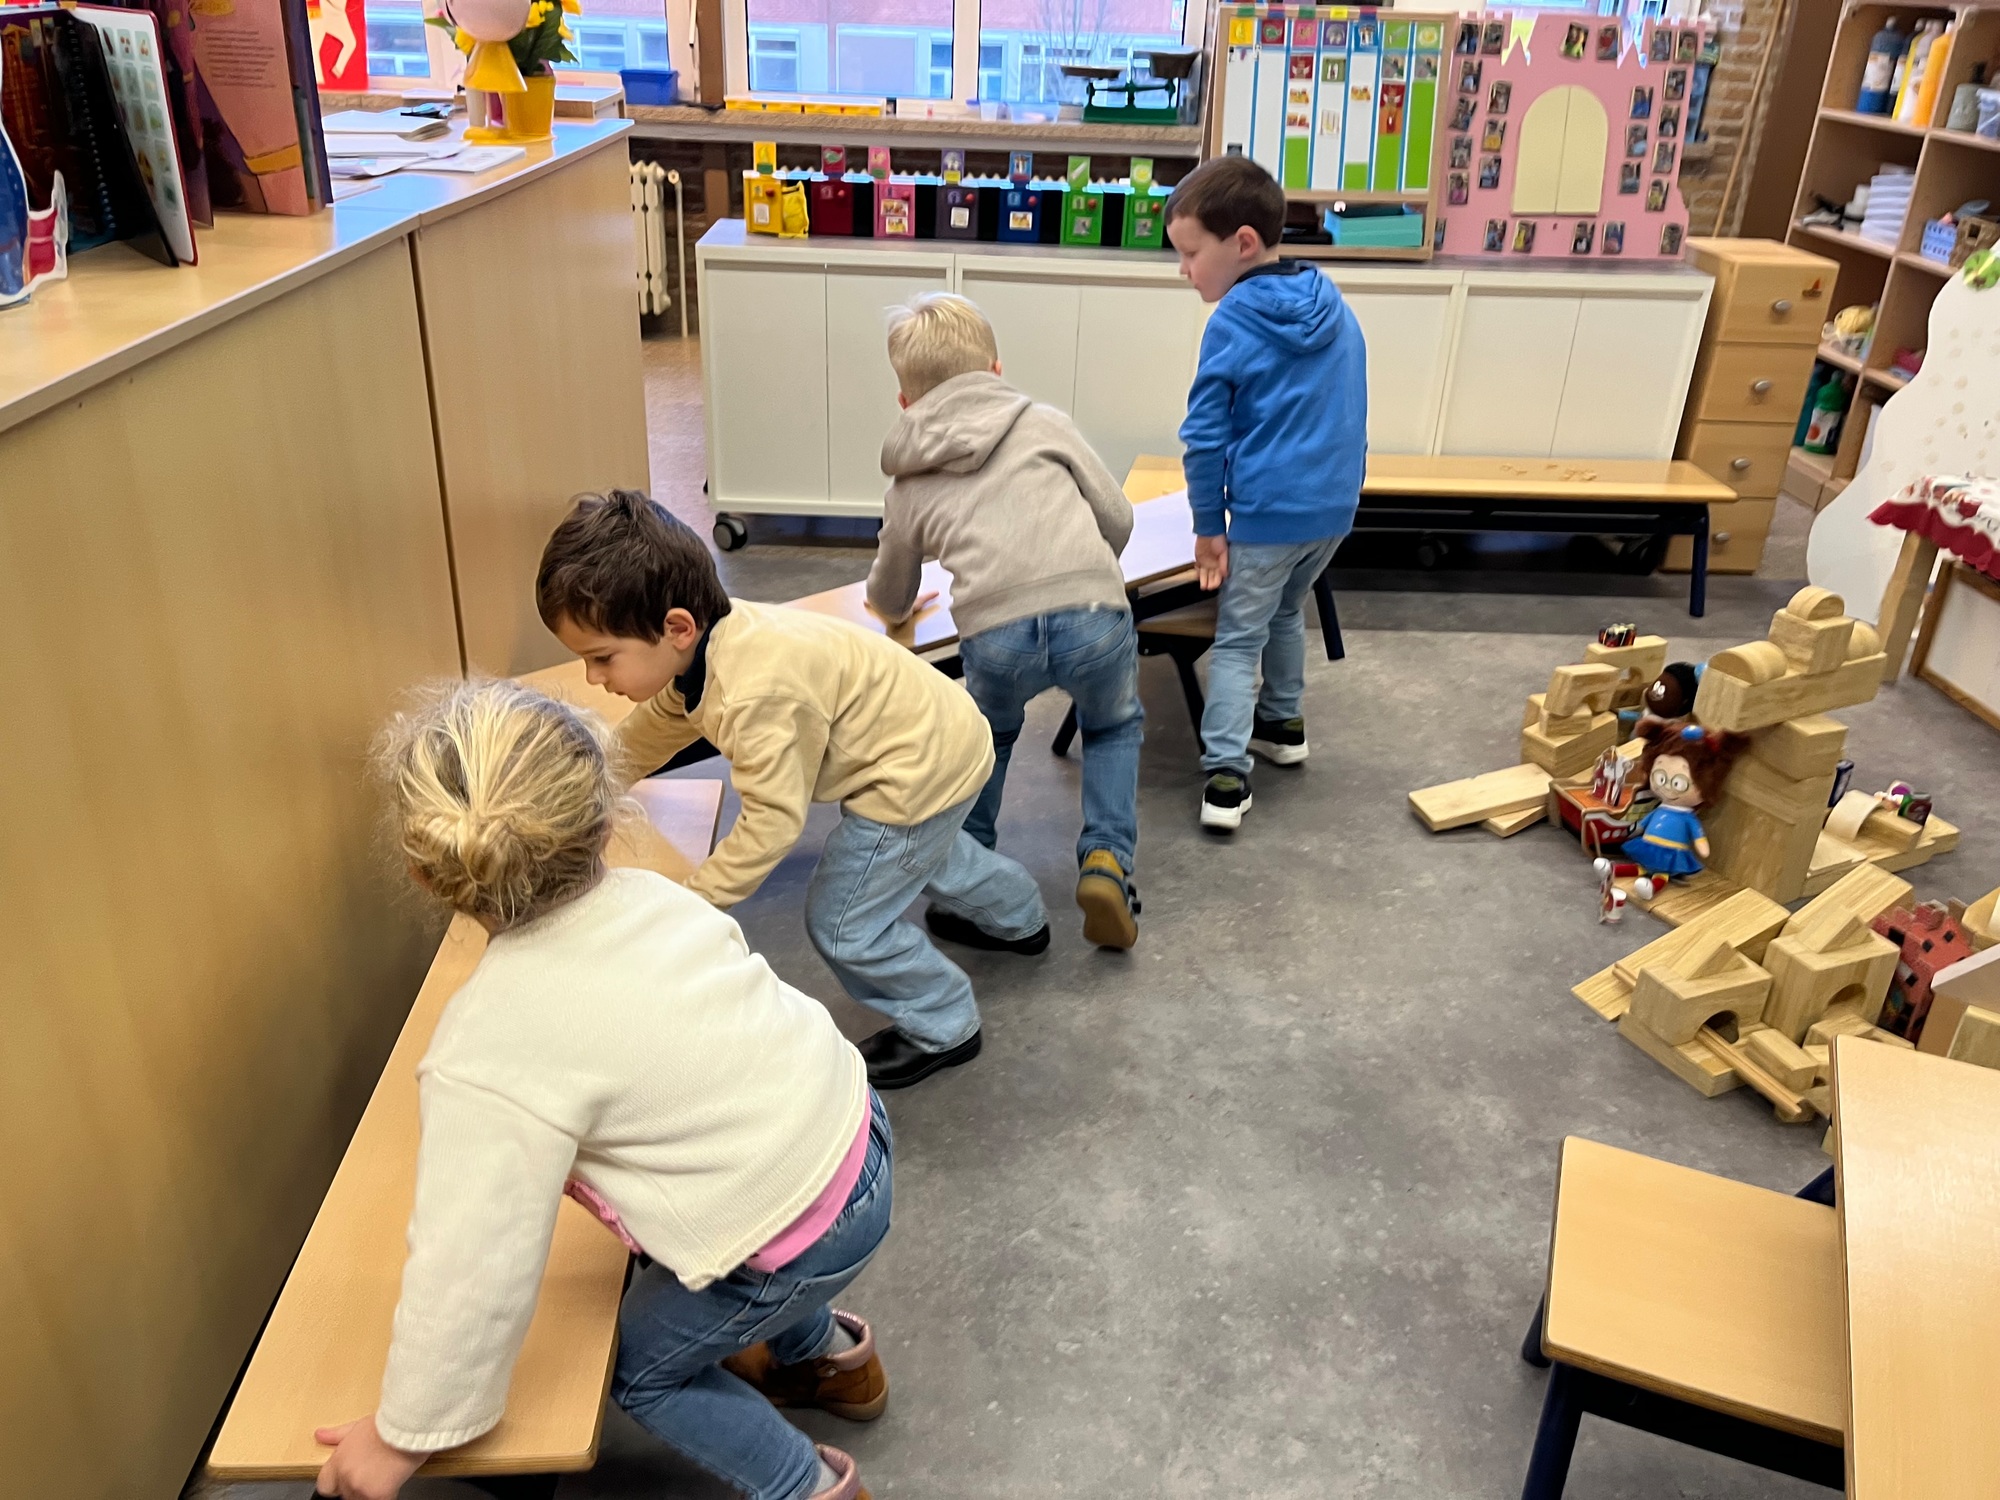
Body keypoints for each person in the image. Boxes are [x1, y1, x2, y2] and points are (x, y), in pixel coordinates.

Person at [313, 679, 890, 1500]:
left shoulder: (485, 1048)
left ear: (426, 873)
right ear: (605, 819)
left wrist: (406, 1432)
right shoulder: (655, 897)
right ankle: (832, 1365)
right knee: (760, 1226)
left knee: (643, 1372)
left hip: (795, 1232)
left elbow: (472, 1272)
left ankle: (808, 1486)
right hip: (855, 1133)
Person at [536, 491, 1048, 1090]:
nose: (594, 676)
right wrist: (590, 785)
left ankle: (943, 1022)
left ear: (676, 627)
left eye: (602, 658)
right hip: (943, 740)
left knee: (844, 922)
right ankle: (1021, 919)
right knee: (930, 855)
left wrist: (695, 904)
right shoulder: (714, 644)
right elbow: (660, 726)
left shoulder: (755, 695)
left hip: (914, 775)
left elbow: (772, 822)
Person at [867, 291, 1144, 950]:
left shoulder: (907, 482)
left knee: (985, 740)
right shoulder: (1045, 423)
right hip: (1093, 611)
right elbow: (1118, 518)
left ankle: (976, 884)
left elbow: (893, 593)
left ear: (905, 401)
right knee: (1112, 727)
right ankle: (1107, 861)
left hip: (995, 634)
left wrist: (899, 605)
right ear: (995, 369)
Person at [1166, 154, 1368, 832]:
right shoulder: (1333, 304)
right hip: (1333, 511)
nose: (1184, 270)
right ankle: (1282, 725)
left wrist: (1207, 526)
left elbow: (1203, 436)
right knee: (1285, 611)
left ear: (1243, 243)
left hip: (1266, 514)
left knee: (1235, 640)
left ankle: (1226, 778)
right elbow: (1353, 405)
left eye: (1191, 253)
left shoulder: (1233, 320)